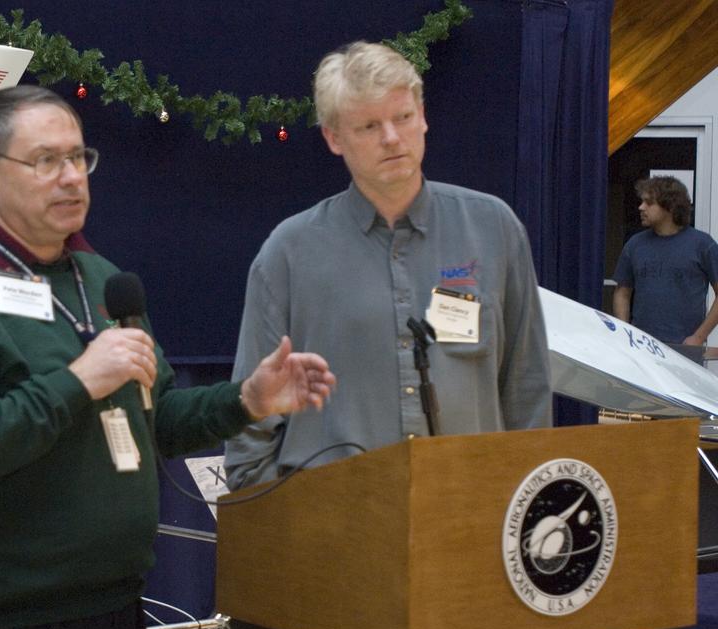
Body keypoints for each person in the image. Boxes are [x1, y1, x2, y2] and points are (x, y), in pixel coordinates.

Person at [0, 84, 335, 629]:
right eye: (46, 161)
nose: (71, 178)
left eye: (79, 158)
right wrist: (76, 383)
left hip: (111, 617)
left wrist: (246, 400)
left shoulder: (99, 279)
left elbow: (155, 419)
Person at [225, 41, 551, 490]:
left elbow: (527, 388)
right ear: (334, 138)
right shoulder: (289, 253)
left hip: (470, 515)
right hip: (338, 530)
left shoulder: (493, 229)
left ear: (423, 116)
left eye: (402, 117)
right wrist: (286, 531)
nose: (392, 138)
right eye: (369, 126)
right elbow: (250, 420)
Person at [612, 175, 718, 346]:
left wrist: (698, 337)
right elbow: (622, 292)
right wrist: (625, 333)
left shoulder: (703, 245)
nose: (641, 207)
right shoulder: (635, 244)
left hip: (685, 347)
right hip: (641, 345)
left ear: (670, 206)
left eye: (649, 203)